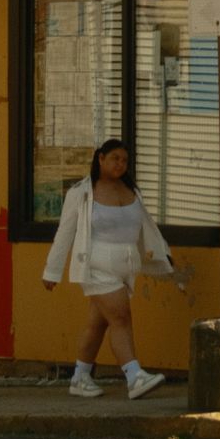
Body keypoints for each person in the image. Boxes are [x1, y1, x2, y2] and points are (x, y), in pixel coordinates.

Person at [42, 138, 178, 398]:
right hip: (96, 266)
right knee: (120, 317)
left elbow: (147, 226)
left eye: (124, 160)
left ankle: (80, 377)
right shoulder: (81, 193)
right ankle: (134, 376)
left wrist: (163, 253)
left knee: (97, 324)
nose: (120, 164)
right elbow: (64, 233)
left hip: (127, 267)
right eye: (115, 158)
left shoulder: (132, 190)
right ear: (100, 158)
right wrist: (52, 272)